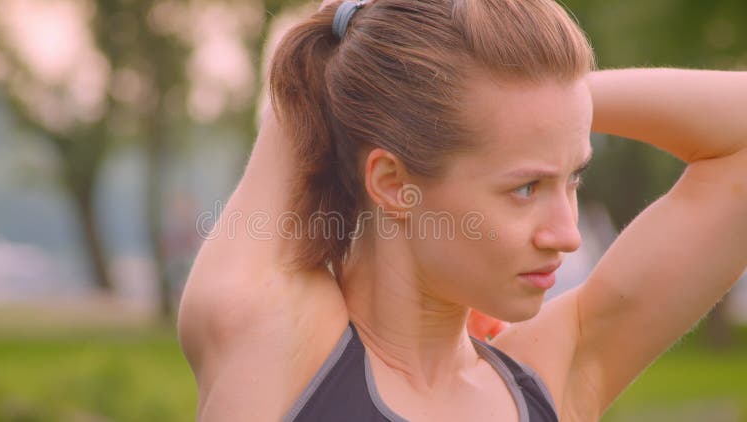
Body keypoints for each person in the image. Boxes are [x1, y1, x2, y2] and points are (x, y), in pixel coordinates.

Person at [177, 0, 747, 420]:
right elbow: (300, 69)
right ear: (393, 182)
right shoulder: (278, 348)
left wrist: (547, 107)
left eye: (572, 178)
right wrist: (402, 91)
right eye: (525, 188)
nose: (567, 235)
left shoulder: (547, 383)